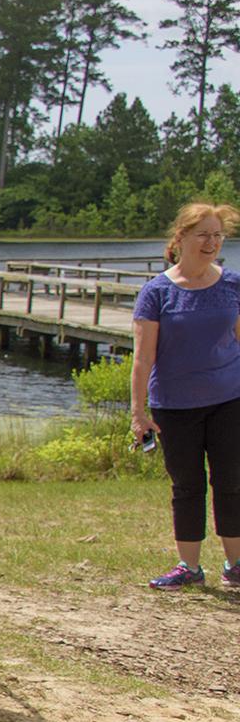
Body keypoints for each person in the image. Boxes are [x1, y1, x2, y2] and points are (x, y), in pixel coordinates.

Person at [130, 201, 240, 589]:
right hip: (174, 406)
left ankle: (236, 564)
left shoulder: (232, 284)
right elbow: (143, 359)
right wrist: (138, 413)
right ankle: (189, 567)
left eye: (218, 235)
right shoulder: (156, 292)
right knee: (188, 484)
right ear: (181, 238)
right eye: (203, 235)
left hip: (230, 400)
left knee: (231, 480)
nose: (211, 243)